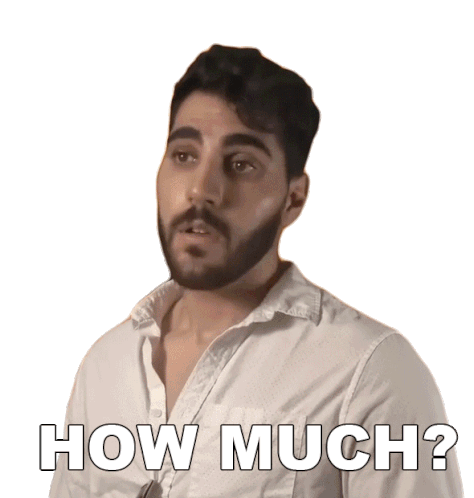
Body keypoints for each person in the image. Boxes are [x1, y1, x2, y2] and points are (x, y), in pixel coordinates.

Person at [49, 43, 463, 497]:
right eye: (184, 155)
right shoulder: (104, 364)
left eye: (241, 164)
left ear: (293, 199)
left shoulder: (371, 370)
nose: (202, 190)